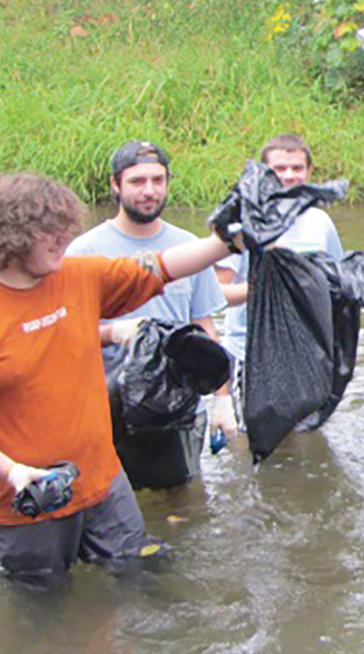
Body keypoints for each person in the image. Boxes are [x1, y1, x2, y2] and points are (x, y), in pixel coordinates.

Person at [0, 171, 241, 578]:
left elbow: (161, 267)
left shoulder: (78, 276)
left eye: (65, 229)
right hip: (27, 498)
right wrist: (12, 471)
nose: (63, 239)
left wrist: (225, 243)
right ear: (12, 235)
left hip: (103, 483)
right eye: (49, 232)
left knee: (144, 576)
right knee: (44, 610)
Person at [65, 142, 237, 489]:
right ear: (115, 185)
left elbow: (203, 325)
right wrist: (116, 332)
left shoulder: (190, 247)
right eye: (138, 181)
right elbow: (62, 335)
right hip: (108, 405)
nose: (149, 191)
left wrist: (222, 398)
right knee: (110, 498)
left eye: (158, 180)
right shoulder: (83, 252)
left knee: (183, 499)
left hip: (178, 405)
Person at [215, 134, 344, 423]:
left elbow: (337, 285)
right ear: (263, 174)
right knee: (251, 443)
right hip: (252, 353)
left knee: (306, 436)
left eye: (297, 168)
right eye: (279, 169)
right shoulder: (240, 224)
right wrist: (267, 290)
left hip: (307, 353)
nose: (289, 176)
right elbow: (216, 294)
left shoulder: (320, 222)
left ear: (309, 173)